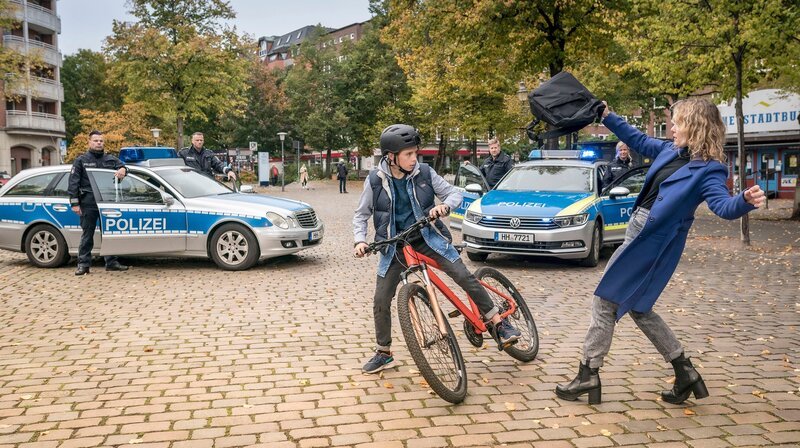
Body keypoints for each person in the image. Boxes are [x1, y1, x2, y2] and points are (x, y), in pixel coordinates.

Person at [555, 99, 766, 405]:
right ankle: (684, 371)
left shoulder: (710, 170)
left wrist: (744, 199)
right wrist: (607, 116)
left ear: (695, 127)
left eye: (678, 123)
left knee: (604, 300)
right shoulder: (670, 150)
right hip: (637, 233)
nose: (672, 129)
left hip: (652, 242)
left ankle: (589, 372)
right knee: (639, 308)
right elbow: (638, 139)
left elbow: (723, 206)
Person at [353, 124, 522, 374]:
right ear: (391, 157)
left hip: (426, 238)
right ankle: (383, 352)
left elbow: (454, 194)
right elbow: (361, 215)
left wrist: (444, 207)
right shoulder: (375, 181)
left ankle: (498, 323)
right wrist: (360, 240)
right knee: (380, 299)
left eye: (415, 153)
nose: (414, 158)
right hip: (395, 246)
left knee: (463, 275)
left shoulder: (424, 173)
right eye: (408, 154)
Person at [67, 130, 130, 275]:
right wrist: (75, 203)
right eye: (95, 141)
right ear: (89, 142)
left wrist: (122, 169)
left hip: (107, 203)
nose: (99, 143)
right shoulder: (81, 160)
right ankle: (83, 265)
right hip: (88, 202)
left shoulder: (110, 159)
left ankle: (111, 262)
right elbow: (73, 183)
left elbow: (125, 168)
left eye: (101, 141)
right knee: (87, 235)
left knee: (109, 234)